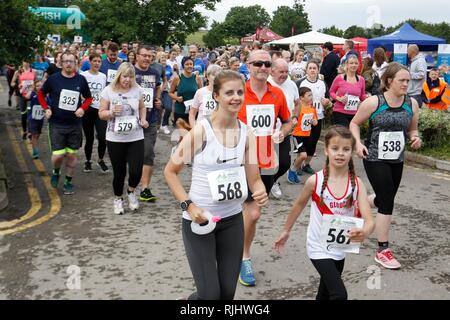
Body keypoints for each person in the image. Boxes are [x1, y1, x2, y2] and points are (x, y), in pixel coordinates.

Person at [164, 70, 268, 300]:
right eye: (229, 92)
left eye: (240, 92)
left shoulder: (247, 133)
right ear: (216, 96)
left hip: (232, 220)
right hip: (200, 221)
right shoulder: (202, 131)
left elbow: (255, 178)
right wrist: (188, 206)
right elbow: (170, 172)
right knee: (210, 295)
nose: (236, 97)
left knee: (227, 293)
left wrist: (260, 190)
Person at [275, 125, 375, 300]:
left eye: (346, 149)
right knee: (339, 294)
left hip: (340, 247)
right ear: (327, 151)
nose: (340, 153)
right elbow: (298, 205)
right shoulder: (315, 181)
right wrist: (286, 230)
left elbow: (369, 220)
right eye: (335, 148)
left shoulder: (357, 184)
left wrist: (365, 231)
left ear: (351, 152)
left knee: (325, 293)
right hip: (317, 247)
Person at [350, 62, 421, 269]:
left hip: (397, 159)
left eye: (408, 80)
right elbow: (354, 123)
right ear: (389, 81)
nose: (406, 84)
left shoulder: (412, 104)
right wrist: (358, 143)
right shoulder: (374, 102)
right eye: (402, 80)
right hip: (374, 157)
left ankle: (358, 203)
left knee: (383, 199)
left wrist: (416, 138)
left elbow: (412, 130)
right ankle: (382, 250)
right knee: (388, 200)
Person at [237, 50, 292, 286]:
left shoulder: (277, 94)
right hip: (239, 161)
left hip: (267, 161)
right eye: (257, 63)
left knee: (251, 212)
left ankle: (238, 251)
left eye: (266, 63)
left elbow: (290, 121)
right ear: (248, 65)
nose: (262, 66)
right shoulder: (238, 93)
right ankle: (244, 257)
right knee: (253, 212)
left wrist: (283, 131)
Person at [38, 52, 93, 195]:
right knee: (57, 156)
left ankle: (68, 181)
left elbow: (88, 98)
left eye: (72, 61)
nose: (69, 64)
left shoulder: (81, 80)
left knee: (71, 155)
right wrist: (46, 108)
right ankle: (56, 172)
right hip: (57, 123)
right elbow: (40, 94)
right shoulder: (53, 79)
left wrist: (82, 108)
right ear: (61, 63)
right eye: (66, 61)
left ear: (76, 63)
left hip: (74, 124)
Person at [99, 62, 149, 214]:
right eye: (124, 76)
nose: (127, 80)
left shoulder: (137, 90)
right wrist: (111, 112)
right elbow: (101, 113)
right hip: (115, 138)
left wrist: (143, 119)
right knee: (119, 172)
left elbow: (142, 106)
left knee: (136, 171)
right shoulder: (108, 90)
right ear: (119, 75)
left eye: (130, 76)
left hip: (135, 136)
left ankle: (131, 191)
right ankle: (118, 198)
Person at [267, 58, 299, 199]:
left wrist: (295, 117)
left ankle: (272, 182)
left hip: (284, 130)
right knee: (266, 163)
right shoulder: (265, 84)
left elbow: (297, 103)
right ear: (272, 71)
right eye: (281, 71)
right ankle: (262, 185)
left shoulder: (291, 84)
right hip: (266, 130)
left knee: (285, 162)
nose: (285, 74)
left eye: (286, 71)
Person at [296, 59, 331, 175]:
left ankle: (307, 164)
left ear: (318, 70)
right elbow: (295, 101)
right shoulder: (300, 83)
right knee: (304, 142)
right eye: (310, 68)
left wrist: (327, 102)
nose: (312, 70)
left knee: (313, 142)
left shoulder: (322, 83)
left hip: (318, 116)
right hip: (304, 118)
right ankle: (299, 164)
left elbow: (328, 99)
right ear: (306, 70)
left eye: (314, 68)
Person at [80, 53, 109, 173]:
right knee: (89, 138)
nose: (97, 63)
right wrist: (82, 98)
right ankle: (88, 161)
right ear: (90, 62)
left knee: (103, 137)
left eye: (99, 61)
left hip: (100, 109)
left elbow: (105, 92)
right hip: (87, 110)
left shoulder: (103, 76)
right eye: (95, 61)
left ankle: (101, 160)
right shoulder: (83, 75)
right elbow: (79, 90)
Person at [287, 87, 318, 184]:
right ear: (301, 98)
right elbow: (293, 118)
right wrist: (294, 121)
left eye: (311, 94)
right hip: (297, 135)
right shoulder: (298, 109)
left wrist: (314, 122)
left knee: (302, 156)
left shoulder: (312, 109)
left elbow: (315, 122)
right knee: (303, 155)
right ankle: (292, 170)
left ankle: (294, 170)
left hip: (307, 135)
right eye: (308, 95)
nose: (311, 97)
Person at [330, 55, 366, 127]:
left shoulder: (361, 79)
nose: (354, 65)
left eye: (356, 63)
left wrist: (368, 99)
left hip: (355, 113)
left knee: (352, 135)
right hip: (340, 111)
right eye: (351, 63)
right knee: (344, 134)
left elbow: (362, 96)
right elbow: (331, 92)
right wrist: (339, 98)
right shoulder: (339, 78)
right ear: (347, 64)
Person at [169, 56, 203, 125]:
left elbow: (201, 94)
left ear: (193, 65)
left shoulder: (197, 78)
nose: (189, 66)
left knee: (193, 133)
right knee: (182, 134)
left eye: (191, 64)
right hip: (180, 111)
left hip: (193, 111)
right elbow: (170, 93)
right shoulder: (177, 78)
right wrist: (177, 98)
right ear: (183, 66)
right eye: (187, 64)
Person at [26, 80, 45, 159]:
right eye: (37, 86)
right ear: (35, 87)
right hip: (32, 117)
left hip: (40, 118)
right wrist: (30, 89)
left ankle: (31, 137)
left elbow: (50, 104)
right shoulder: (33, 94)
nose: (39, 87)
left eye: (41, 85)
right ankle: (35, 151)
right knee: (35, 135)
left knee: (37, 135)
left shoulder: (45, 95)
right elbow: (27, 97)